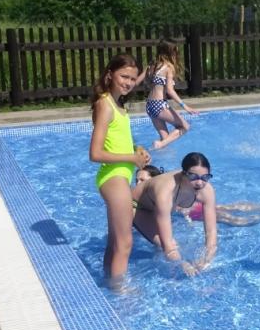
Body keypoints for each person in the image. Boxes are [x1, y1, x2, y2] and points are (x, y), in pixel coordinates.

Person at [89, 53, 152, 282]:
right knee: (125, 243)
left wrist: (137, 149)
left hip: (119, 176)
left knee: (115, 241)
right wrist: (131, 158)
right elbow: (95, 153)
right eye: (123, 76)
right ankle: (120, 291)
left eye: (132, 79)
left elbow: (115, 141)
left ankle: (109, 284)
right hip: (113, 177)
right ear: (110, 75)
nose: (128, 82)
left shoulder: (118, 106)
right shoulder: (105, 104)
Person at [131, 151, 218, 275]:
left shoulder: (206, 190)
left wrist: (207, 259)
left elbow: (211, 232)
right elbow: (168, 246)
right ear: (183, 173)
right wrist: (183, 264)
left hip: (155, 206)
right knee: (169, 245)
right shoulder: (166, 191)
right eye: (193, 177)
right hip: (135, 206)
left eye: (205, 177)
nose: (199, 182)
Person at [145, 39, 199, 150]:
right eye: (175, 51)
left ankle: (160, 154)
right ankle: (159, 145)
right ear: (171, 52)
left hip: (149, 105)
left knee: (165, 139)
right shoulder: (169, 67)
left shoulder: (153, 66)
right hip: (159, 104)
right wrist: (185, 106)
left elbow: (147, 83)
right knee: (185, 126)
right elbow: (170, 91)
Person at [181, 201, 260, 227]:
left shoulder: (177, 207)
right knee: (237, 208)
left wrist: (189, 223)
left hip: (202, 214)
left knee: (236, 221)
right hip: (203, 207)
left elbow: (186, 216)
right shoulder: (179, 198)